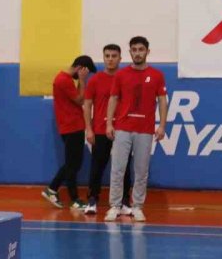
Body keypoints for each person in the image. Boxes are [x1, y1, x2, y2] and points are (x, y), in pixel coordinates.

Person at [105, 36, 168, 223]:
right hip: (123, 128)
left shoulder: (157, 75)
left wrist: (162, 125)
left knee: (141, 170)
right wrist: (109, 123)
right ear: (130, 52)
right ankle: (115, 206)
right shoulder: (121, 75)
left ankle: (138, 206)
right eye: (134, 49)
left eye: (141, 49)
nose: (138, 53)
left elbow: (162, 101)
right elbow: (113, 99)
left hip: (145, 130)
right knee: (117, 169)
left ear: (147, 51)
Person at [83, 44, 133, 215]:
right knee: (97, 167)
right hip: (99, 130)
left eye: (114, 56)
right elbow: (87, 104)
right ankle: (92, 200)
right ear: (103, 58)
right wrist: (88, 129)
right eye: (107, 56)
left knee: (124, 167)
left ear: (120, 58)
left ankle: (125, 202)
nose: (110, 59)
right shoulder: (95, 80)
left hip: (123, 130)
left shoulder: (126, 78)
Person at [42, 55, 96, 210]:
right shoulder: (63, 80)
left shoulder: (65, 79)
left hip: (73, 126)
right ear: (80, 69)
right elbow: (80, 100)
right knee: (72, 164)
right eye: (86, 72)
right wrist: (83, 80)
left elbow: (77, 98)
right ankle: (53, 189)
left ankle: (73, 199)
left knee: (74, 164)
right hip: (71, 127)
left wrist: (80, 81)